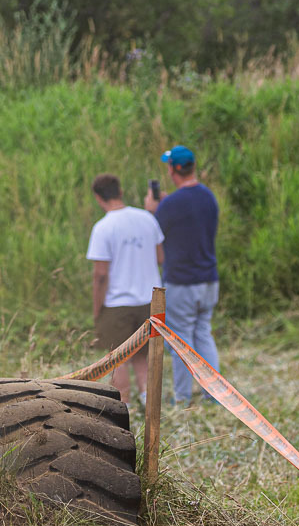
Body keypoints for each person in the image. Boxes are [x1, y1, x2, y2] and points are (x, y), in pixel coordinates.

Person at [143, 145, 220, 405]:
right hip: (209, 279)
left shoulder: (170, 205)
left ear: (173, 170)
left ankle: (183, 398)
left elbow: (155, 233)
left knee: (180, 339)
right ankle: (214, 394)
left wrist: (153, 210)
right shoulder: (208, 197)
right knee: (203, 333)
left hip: (182, 281)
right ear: (193, 167)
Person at [86, 174, 164, 405]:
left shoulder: (103, 228)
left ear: (98, 198)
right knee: (143, 355)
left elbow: (100, 275)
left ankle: (123, 406)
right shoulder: (147, 219)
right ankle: (149, 403)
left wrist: (97, 309)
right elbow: (160, 257)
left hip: (117, 303)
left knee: (117, 359)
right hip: (150, 300)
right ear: (120, 192)